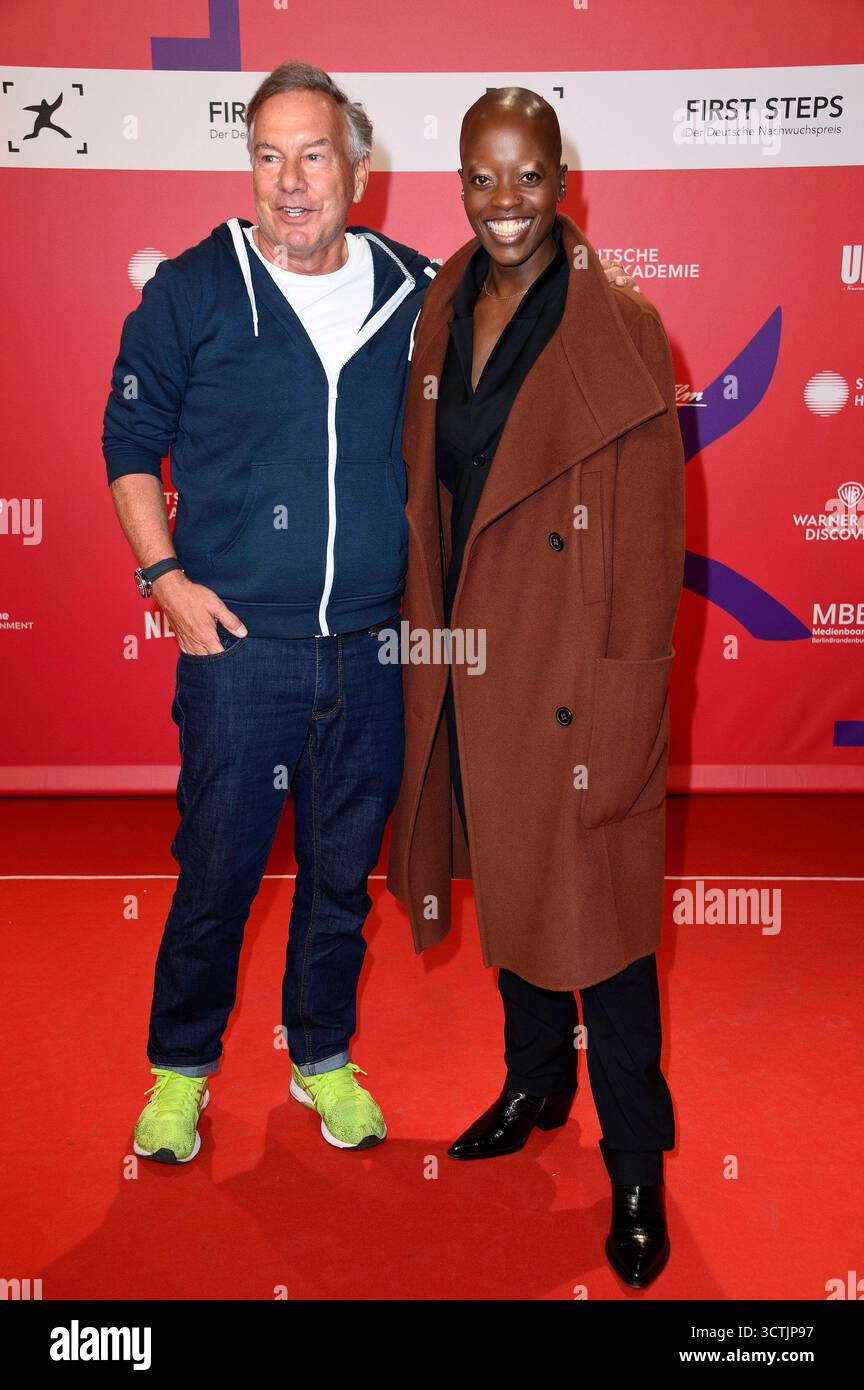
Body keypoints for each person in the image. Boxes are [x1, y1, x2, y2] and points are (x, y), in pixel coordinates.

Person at [103, 60, 635, 1167]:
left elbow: (520, 344)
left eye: (314, 156)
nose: (291, 181)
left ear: (357, 170)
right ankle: (180, 1069)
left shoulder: (416, 291)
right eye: (268, 156)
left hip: (374, 648)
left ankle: (322, 1055)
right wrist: (164, 579)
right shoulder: (192, 290)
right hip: (238, 649)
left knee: (341, 879)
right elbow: (129, 443)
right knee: (216, 876)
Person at [387, 88, 685, 1288]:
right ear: (460, 183)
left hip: (570, 666)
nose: (504, 203)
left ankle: (638, 1164)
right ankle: (533, 1082)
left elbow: (653, 545)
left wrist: (626, 701)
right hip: (473, 654)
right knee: (510, 882)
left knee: (604, 933)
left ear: (565, 182)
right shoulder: (441, 309)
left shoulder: (625, 328)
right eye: (482, 178)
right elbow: (434, 490)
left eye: (527, 177)